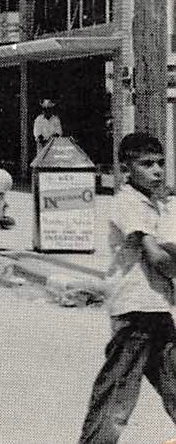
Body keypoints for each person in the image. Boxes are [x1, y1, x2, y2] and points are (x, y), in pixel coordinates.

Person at [78, 132, 176, 441]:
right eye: (147, 164)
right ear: (126, 168)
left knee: (173, 380)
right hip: (135, 311)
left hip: (156, 307)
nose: (157, 171)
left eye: (161, 163)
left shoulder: (155, 204)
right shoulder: (128, 203)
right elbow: (158, 257)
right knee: (117, 393)